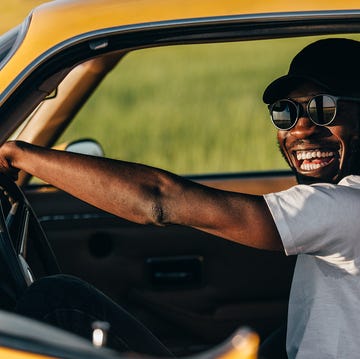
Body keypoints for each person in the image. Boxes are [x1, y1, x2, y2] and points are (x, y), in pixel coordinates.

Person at [1, 37, 360, 358]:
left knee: (61, 303)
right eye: (287, 112)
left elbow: (159, 200)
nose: (300, 129)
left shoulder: (346, 208)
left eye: (322, 109)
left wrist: (18, 154)